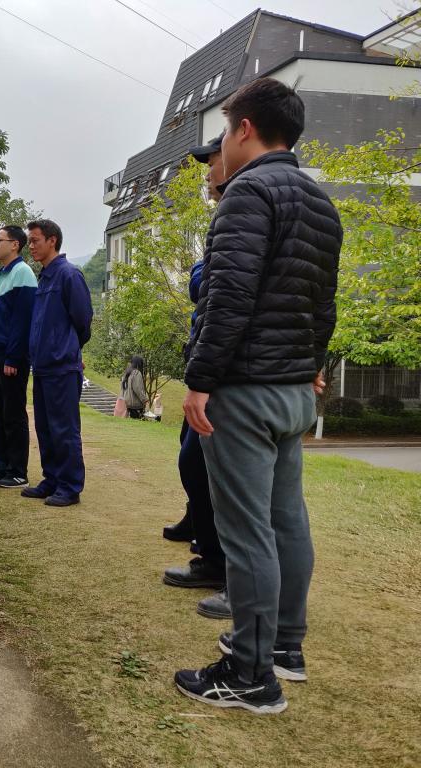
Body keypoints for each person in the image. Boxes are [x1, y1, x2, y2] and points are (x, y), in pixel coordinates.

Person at [174, 78, 341, 714]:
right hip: (293, 391)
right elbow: (323, 305)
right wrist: (312, 367)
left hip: (243, 391)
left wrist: (200, 380)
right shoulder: (320, 202)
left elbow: (228, 299)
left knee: (247, 534)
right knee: (286, 520)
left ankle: (249, 673)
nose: (222, 142)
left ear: (245, 128)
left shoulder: (246, 193)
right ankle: (284, 648)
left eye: (224, 129)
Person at [162, 134, 230, 620]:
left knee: (220, 474)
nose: (207, 174)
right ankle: (209, 550)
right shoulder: (226, 215)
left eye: (212, 163)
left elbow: (212, 286)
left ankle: (227, 569)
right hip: (208, 365)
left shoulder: (248, 209)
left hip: (228, 375)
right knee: (193, 461)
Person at [23, 220, 93, 507]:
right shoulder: (44, 277)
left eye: (35, 240)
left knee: (64, 429)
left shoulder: (68, 275)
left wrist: (67, 348)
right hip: (42, 367)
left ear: (52, 240)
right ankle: (51, 479)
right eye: (29, 241)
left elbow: (83, 321)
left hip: (62, 366)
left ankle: (70, 486)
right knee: (45, 428)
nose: (30, 246)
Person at [0, 225, 37, 489]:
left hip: (10, 356)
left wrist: (14, 358)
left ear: (15, 244)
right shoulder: (2, 275)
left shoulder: (22, 273)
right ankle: (2, 464)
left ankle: (18, 471)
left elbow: (22, 320)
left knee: (13, 414)